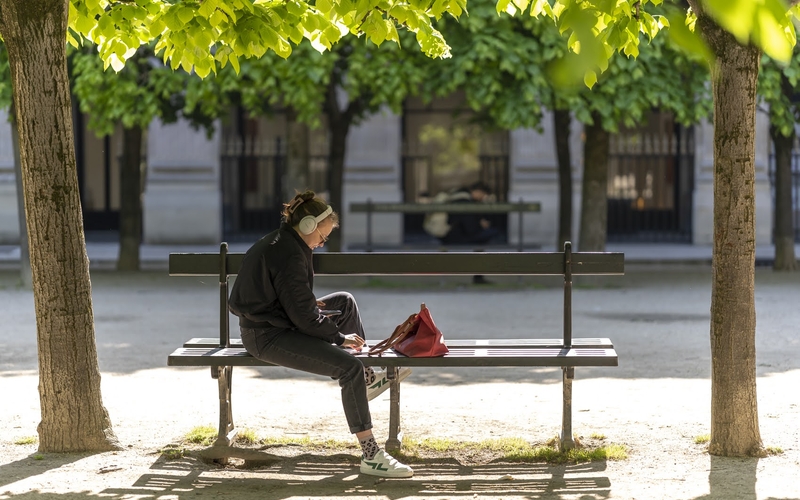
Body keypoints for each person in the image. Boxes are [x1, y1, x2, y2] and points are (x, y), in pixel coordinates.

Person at [228, 190, 413, 478]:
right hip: (266, 337)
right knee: (349, 366)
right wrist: (339, 338)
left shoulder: (286, 242)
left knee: (344, 302)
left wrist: (308, 309)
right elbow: (304, 318)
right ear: (307, 227)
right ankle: (371, 455)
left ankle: (367, 380)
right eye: (322, 237)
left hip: (277, 322)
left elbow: (289, 298)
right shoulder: (288, 253)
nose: (322, 243)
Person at [440, 181, 501, 284]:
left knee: (481, 245)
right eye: (483, 195)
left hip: (453, 235)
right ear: (478, 191)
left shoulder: (458, 198)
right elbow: (470, 228)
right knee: (492, 234)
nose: (483, 198)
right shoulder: (465, 202)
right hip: (457, 237)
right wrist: (480, 224)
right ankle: (478, 277)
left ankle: (478, 276)